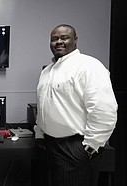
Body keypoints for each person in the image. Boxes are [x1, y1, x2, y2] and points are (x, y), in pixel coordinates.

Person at [34, 24, 118, 186]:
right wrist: (40, 133)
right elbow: (43, 104)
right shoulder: (47, 71)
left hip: (75, 147)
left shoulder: (89, 66)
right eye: (54, 39)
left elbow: (104, 110)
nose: (59, 42)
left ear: (75, 40)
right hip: (51, 145)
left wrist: (90, 147)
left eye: (64, 37)